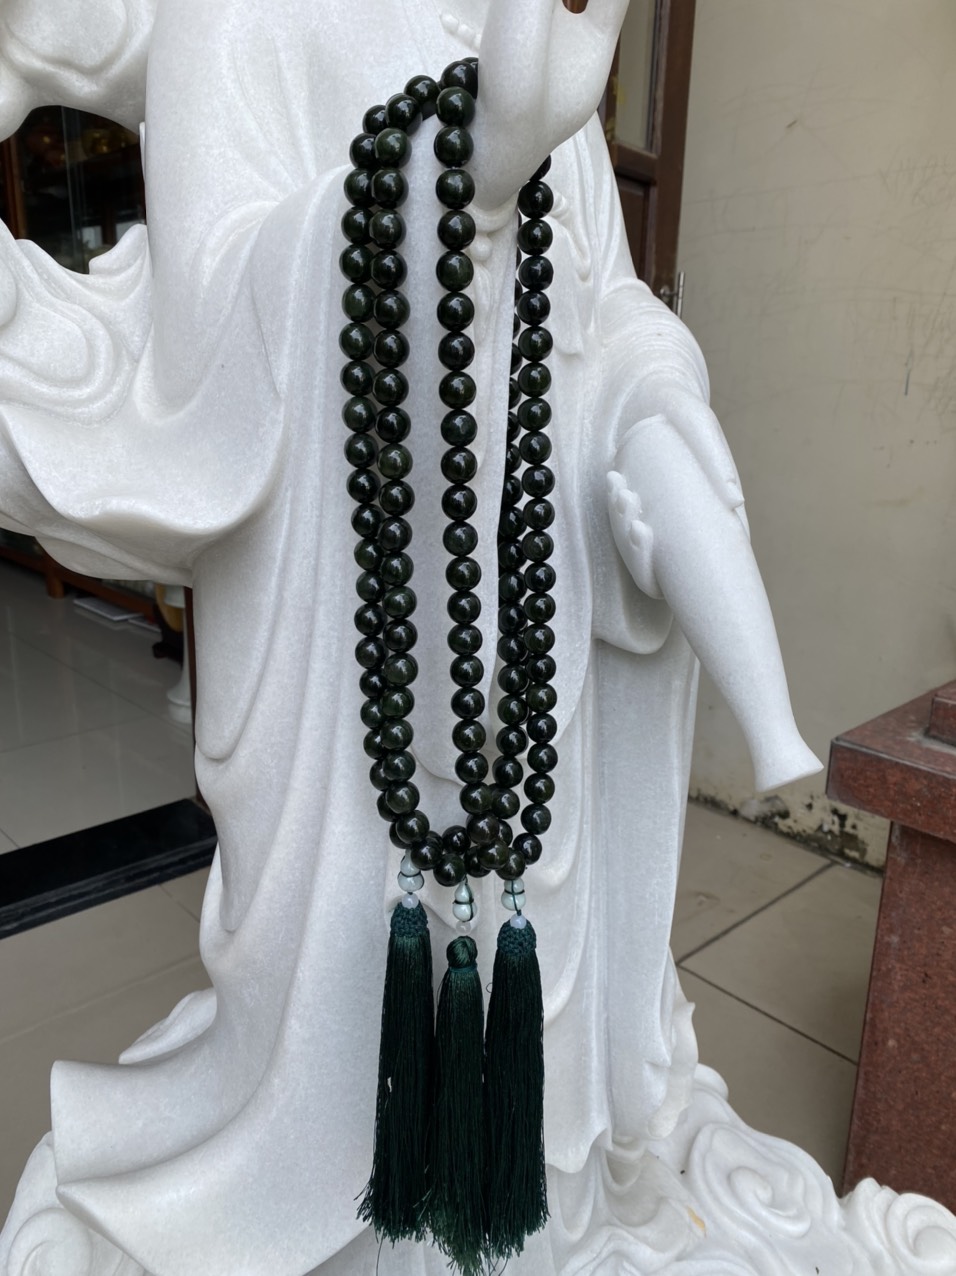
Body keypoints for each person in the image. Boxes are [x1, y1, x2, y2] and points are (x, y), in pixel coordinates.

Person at [0, 2, 820, 1273]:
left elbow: (596, 304)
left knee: (530, 942)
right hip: (346, 655)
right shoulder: (241, 23)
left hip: (532, 605)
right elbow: (217, 320)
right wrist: (461, 177)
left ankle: (532, 1197)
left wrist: (650, 392)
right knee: (361, 995)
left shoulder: (527, 33)